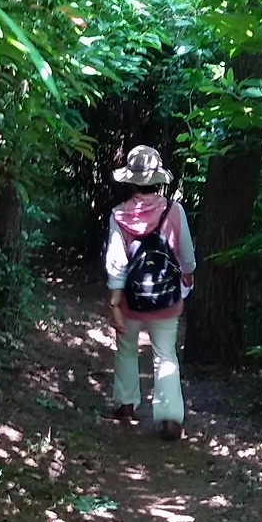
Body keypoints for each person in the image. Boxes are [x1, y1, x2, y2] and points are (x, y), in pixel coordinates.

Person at [105, 144, 196, 440]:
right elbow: (187, 257)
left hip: (130, 299)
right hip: (166, 298)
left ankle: (125, 404)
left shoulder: (119, 215)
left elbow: (116, 263)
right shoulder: (174, 211)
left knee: (127, 348)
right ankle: (170, 418)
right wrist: (186, 279)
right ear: (158, 179)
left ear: (131, 181)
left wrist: (115, 302)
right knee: (166, 353)